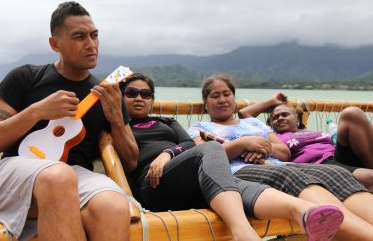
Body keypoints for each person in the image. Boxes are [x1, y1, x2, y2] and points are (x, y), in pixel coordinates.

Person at [0, 1, 138, 241]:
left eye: (94, 36)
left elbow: (131, 161)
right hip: (15, 172)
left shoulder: (106, 94)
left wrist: (115, 120)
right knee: (58, 176)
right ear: (55, 44)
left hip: (74, 175)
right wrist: (36, 111)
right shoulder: (26, 77)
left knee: (113, 206)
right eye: (79, 37)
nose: (91, 44)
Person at [120, 73, 346, 241]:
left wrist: (168, 153)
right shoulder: (119, 126)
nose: (139, 98)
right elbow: (193, 147)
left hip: (187, 180)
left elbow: (188, 144)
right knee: (213, 150)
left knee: (233, 182)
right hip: (155, 184)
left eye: (146, 94)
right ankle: (243, 232)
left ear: (152, 99)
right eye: (131, 93)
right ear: (121, 98)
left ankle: (303, 212)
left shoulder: (167, 122)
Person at [188, 73, 373, 240]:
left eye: (226, 94)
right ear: (206, 103)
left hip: (277, 164)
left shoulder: (253, 123)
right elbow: (206, 158)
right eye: (215, 96)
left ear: (233, 97)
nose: (222, 99)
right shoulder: (199, 128)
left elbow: (284, 152)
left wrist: (262, 147)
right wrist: (242, 144)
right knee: (291, 177)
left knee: (333, 173)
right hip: (240, 172)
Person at [239, 93, 373, 191]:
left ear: (297, 120)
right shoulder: (273, 136)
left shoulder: (311, 131)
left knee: (352, 113)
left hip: (338, 154)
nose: (280, 118)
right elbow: (244, 114)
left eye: (285, 114)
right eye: (275, 118)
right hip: (322, 165)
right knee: (370, 179)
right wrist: (272, 101)